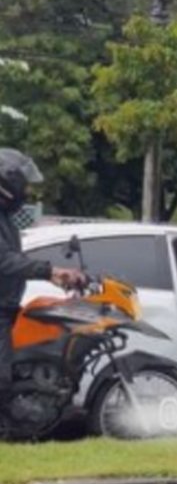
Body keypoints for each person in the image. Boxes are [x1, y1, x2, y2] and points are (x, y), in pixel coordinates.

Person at [0, 149, 84, 391]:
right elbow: (5, 261)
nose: (26, 192)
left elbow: (16, 260)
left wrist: (55, 276)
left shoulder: (5, 219)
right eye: (23, 185)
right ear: (8, 183)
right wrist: (49, 271)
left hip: (7, 305)